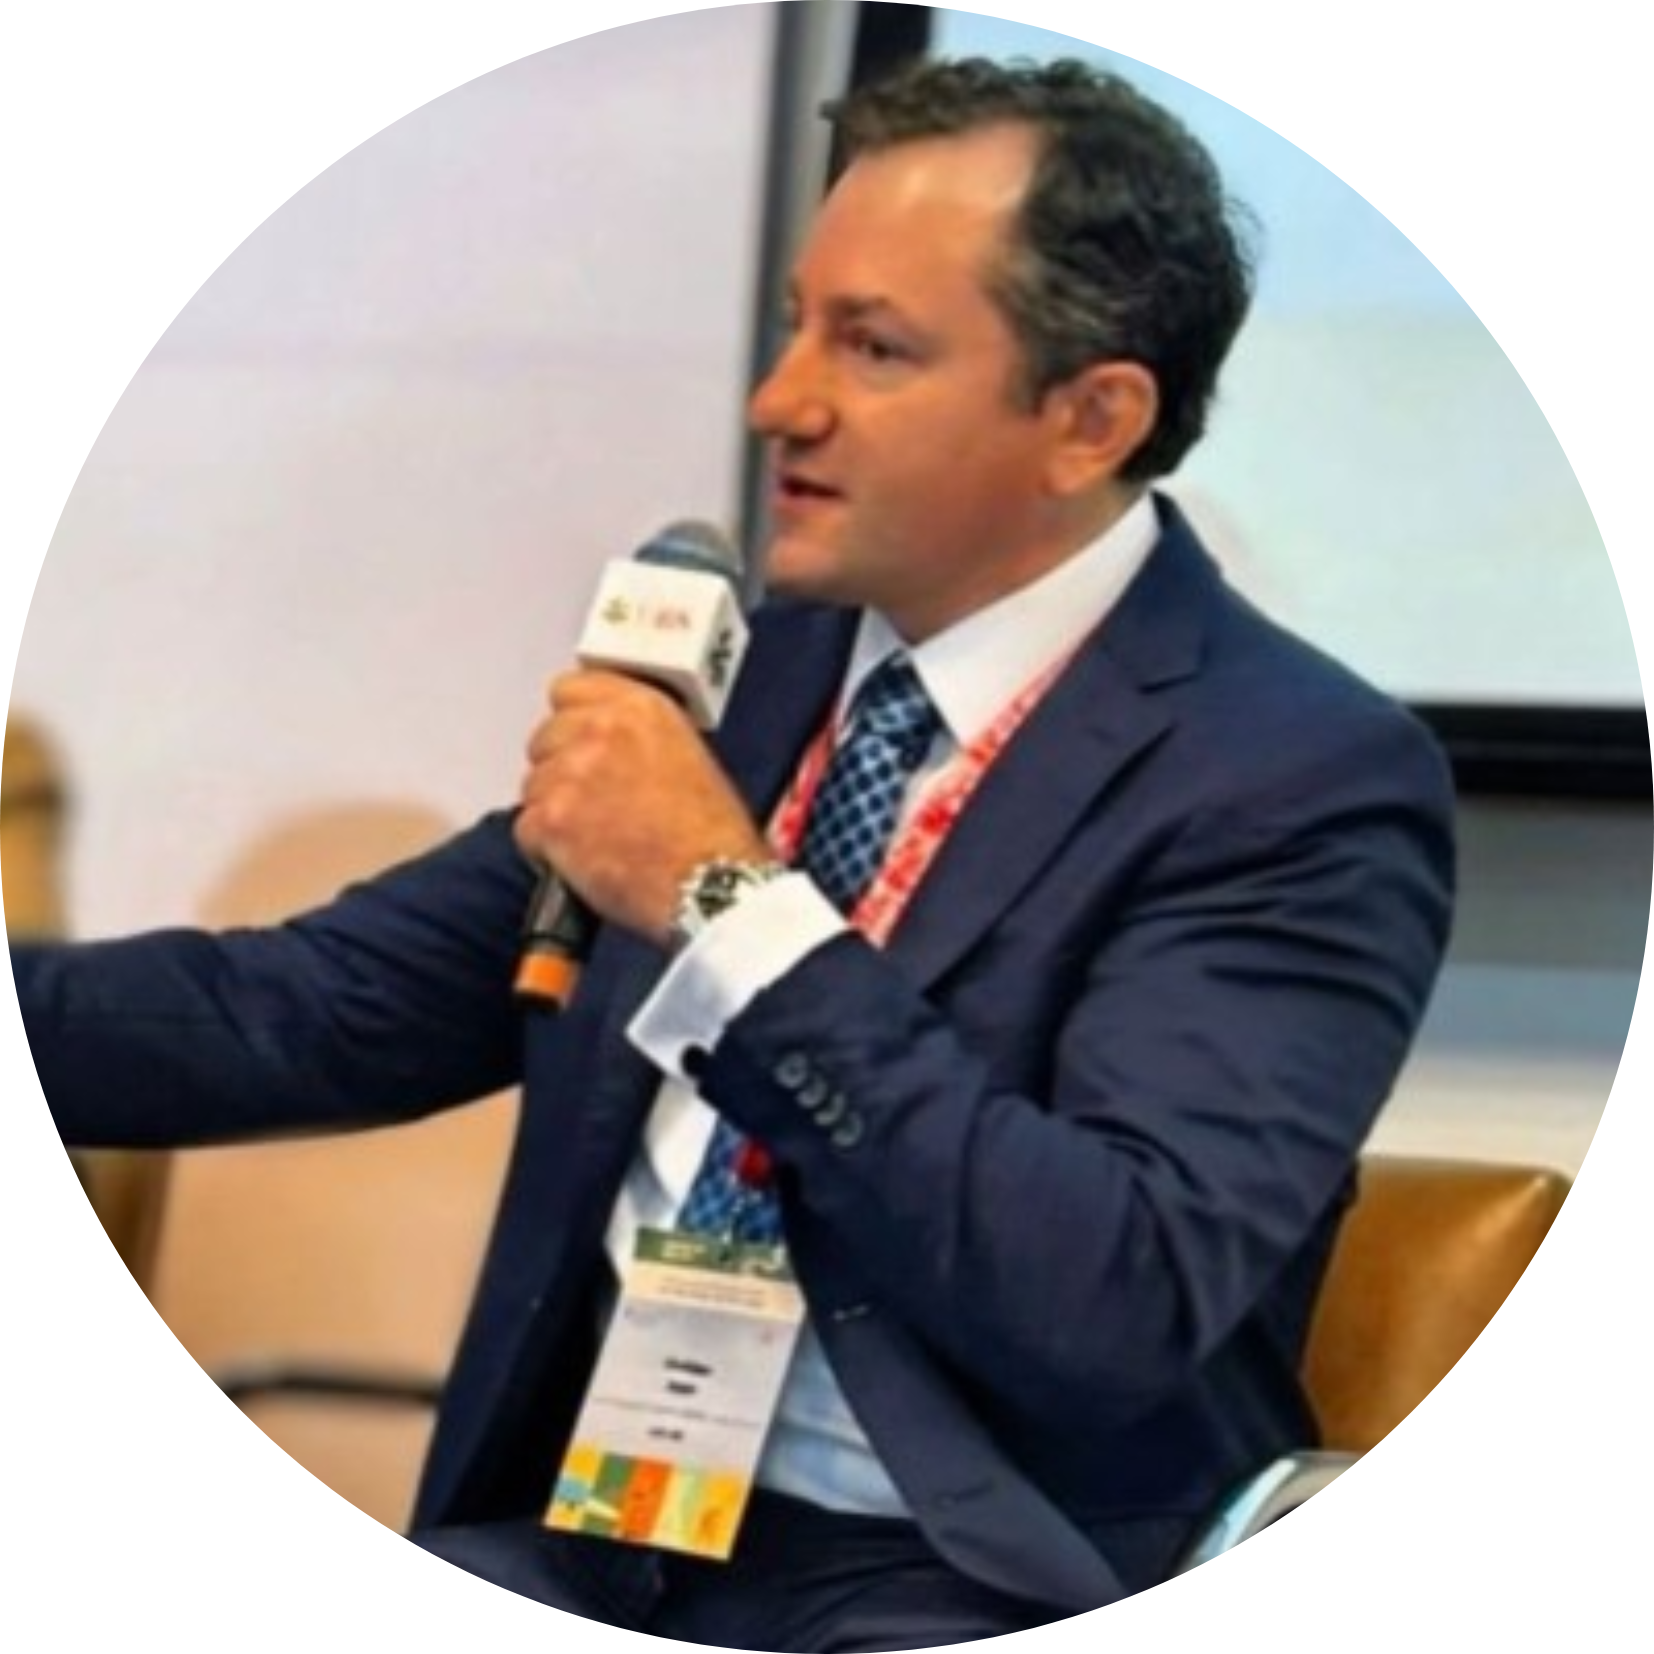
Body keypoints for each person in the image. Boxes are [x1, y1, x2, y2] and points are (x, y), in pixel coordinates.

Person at [13, 57, 1455, 1650]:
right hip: (595, 1531)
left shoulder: (1292, 777)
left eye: (873, 346)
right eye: (794, 323)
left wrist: (721, 903)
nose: (780, 399)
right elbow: (301, 1009)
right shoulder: (750, 677)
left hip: (966, 1579)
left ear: (1088, 419)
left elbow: (1105, 1294)